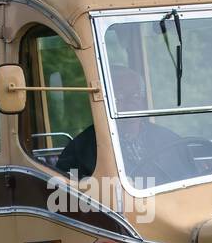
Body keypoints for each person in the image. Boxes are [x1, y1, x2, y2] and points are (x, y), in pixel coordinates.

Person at [55, 66, 196, 185]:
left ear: (142, 100)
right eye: (120, 97)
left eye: (135, 95)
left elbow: (191, 182)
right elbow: (67, 198)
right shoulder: (81, 149)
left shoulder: (169, 139)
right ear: (105, 101)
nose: (130, 103)